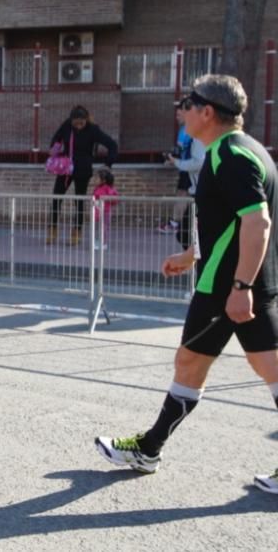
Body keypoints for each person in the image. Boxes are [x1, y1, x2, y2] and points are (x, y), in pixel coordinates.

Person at [94, 75, 278, 495]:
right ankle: (149, 447)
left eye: (188, 104)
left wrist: (239, 285)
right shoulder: (249, 150)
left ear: (208, 112)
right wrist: (192, 255)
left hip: (226, 289)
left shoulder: (229, 156)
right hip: (244, 284)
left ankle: (148, 449)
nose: (182, 111)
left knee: (190, 364)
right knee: (249, 370)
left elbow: (258, 222)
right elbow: (229, 221)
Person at [46, 105, 118, 247]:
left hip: (83, 170)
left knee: (79, 202)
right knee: (56, 198)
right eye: (76, 123)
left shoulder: (93, 129)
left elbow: (112, 145)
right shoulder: (67, 125)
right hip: (66, 169)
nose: (78, 126)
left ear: (86, 120)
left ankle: (76, 233)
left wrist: (108, 164)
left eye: (81, 123)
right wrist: (54, 149)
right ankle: (52, 230)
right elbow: (56, 138)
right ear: (71, 120)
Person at [165, 113, 205, 249]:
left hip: (201, 188)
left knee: (187, 234)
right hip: (194, 184)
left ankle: (197, 259)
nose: (177, 116)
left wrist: (178, 162)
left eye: (180, 113)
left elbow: (198, 161)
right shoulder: (185, 131)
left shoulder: (198, 136)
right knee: (186, 235)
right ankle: (194, 259)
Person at [92, 169, 118, 250]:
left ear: (103, 180)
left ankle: (103, 243)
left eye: (97, 178)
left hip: (105, 211)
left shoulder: (107, 188)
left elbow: (113, 198)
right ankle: (100, 241)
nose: (95, 180)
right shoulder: (98, 188)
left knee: (103, 227)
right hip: (98, 210)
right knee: (99, 227)